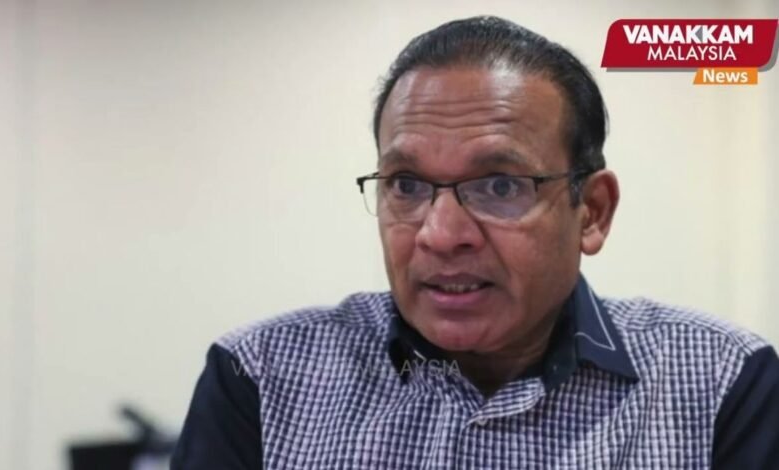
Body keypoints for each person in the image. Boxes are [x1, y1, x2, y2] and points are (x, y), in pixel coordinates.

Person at [171, 16, 779, 469]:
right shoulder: (261, 378)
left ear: (591, 212)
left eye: (499, 186)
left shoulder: (720, 384)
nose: (441, 235)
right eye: (406, 184)